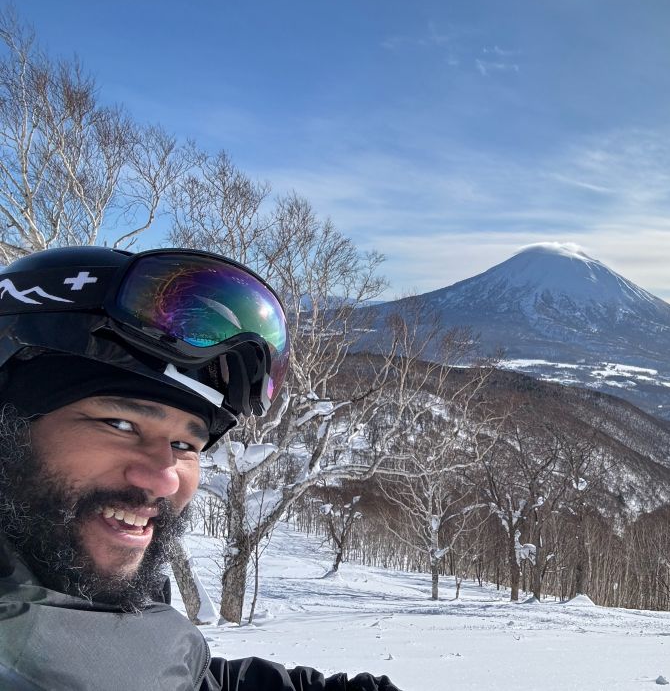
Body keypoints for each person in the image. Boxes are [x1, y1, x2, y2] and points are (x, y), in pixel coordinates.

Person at [0, 246, 401, 691]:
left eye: (184, 444)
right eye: (120, 423)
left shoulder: (70, 588)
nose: (164, 476)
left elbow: (185, 679)